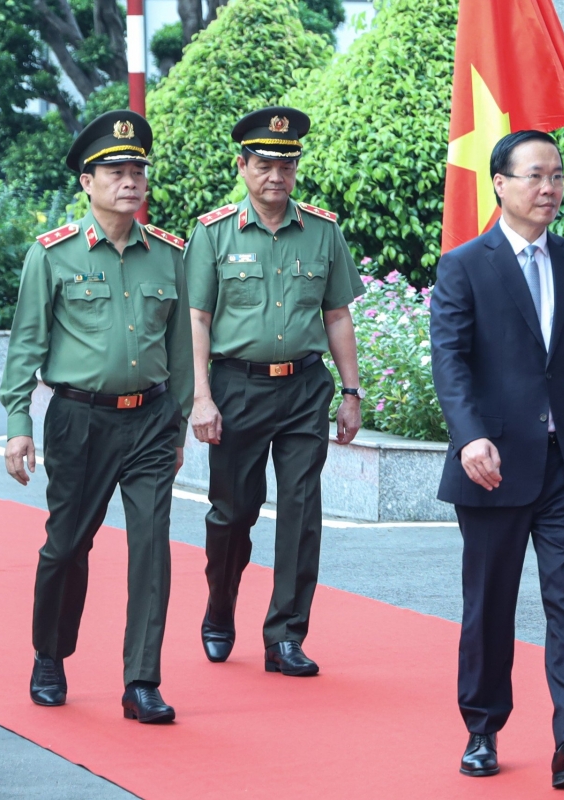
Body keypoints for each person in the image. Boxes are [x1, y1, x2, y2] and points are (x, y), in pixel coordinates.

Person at [431, 130, 564, 790]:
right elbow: (450, 361)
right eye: (534, 175)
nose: (549, 187)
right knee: (489, 604)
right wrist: (469, 435)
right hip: (494, 463)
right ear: (500, 184)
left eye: (557, 175)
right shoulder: (464, 265)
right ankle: (482, 726)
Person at [0, 110, 193, 723]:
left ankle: (142, 682)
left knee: (151, 549)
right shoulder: (52, 255)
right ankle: (50, 654)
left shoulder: (169, 254)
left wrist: (182, 425)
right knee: (66, 546)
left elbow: (183, 352)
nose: (129, 180)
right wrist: (17, 425)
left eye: (137, 169)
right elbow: (25, 346)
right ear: (87, 182)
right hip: (78, 422)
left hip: (152, 422)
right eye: (115, 171)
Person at [186, 107, 364, 677]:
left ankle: (286, 634)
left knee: (301, 511)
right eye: (264, 164)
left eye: (286, 165)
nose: (276, 176)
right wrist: (201, 397)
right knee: (233, 514)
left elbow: (337, 315)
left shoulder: (322, 231)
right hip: (237, 388)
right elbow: (196, 319)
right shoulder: (213, 233)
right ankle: (220, 606)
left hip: (304, 388)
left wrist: (352, 391)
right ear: (243, 167)